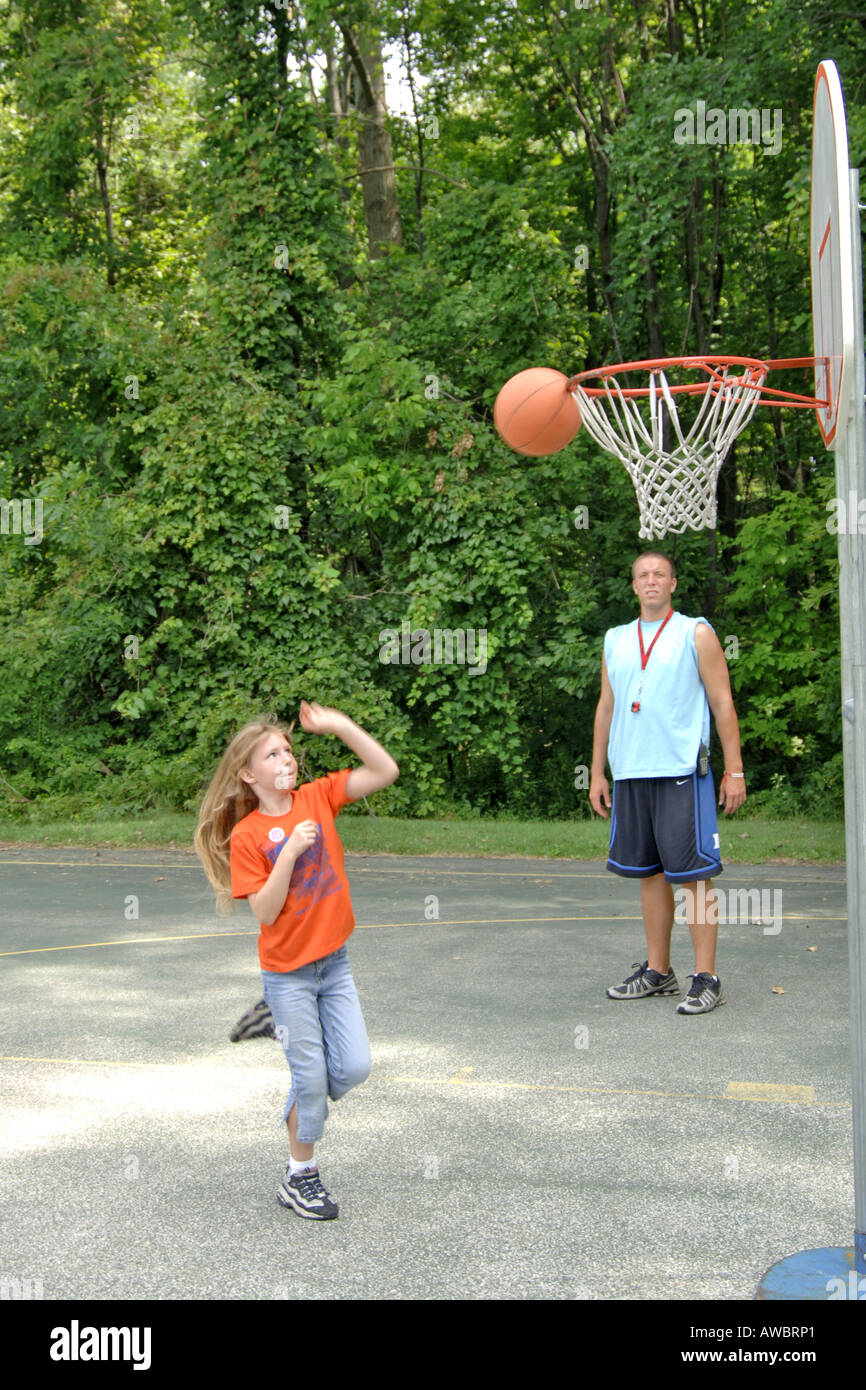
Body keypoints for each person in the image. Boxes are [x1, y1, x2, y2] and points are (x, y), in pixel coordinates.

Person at [195, 702, 399, 1219]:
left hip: (334, 964)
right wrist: (287, 854)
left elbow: (385, 771)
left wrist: (339, 726)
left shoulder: (318, 797)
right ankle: (299, 1175)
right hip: (286, 974)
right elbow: (264, 910)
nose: (286, 759)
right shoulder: (247, 837)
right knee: (309, 1081)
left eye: (287, 750)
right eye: (272, 754)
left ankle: (289, 1060)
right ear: (248, 774)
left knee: (352, 1069)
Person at [589, 551, 746, 1014]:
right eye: (643, 575)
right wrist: (598, 771)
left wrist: (734, 771)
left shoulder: (695, 632)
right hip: (631, 774)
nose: (651, 580)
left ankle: (706, 977)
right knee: (650, 875)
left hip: (681, 771)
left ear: (673, 583)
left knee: (694, 878)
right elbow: (606, 707)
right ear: (633, 586)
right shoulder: (615, 639)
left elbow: (723, 703)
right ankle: (659, 972)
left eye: (659, 574)